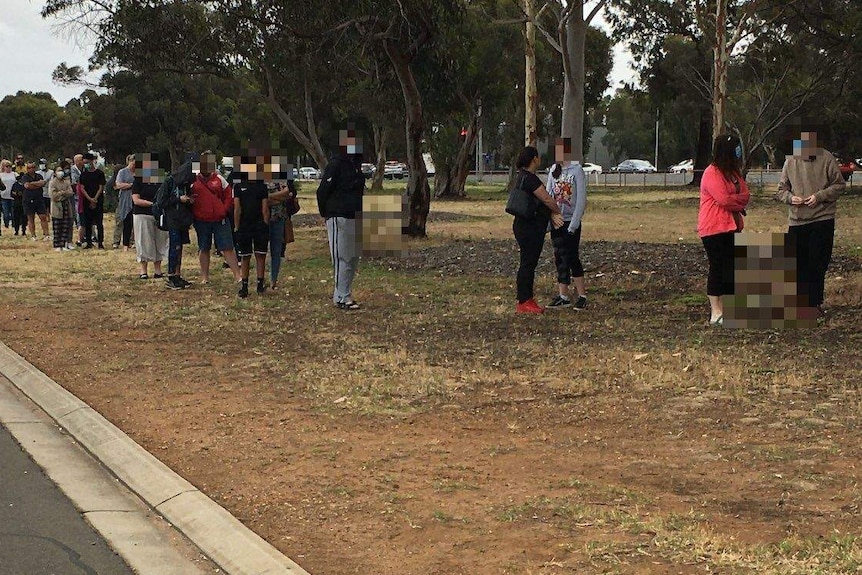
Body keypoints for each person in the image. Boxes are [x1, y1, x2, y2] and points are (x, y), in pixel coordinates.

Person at [775, 130, 845, 316]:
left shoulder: (827, 158)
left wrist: (820, 196)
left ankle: (814, 303)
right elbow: (781, 190)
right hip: (797, 221)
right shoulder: (790, 161)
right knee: (797, 264)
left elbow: (839, 185)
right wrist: (791, 198)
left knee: (818, 263)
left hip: (822, 219)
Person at [698, 134, 751, 326]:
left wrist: (736, 202)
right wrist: (737, 202)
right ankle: (715, 311)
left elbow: (745, 194)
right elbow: (724, 199)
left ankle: (729, 308)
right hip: (713, 228)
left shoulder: (734, 173)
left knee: (732, 268)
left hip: (732, 227)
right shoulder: (711, 173)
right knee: (718, 267)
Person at [316, 128, 366, 310]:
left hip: (354, 215)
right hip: (338, 215)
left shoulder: (356, 165)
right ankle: (340, 296)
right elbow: (322, 191)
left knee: (353, 257)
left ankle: (346, 292)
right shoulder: (336, 164)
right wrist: (327, 213)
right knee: (341, 256)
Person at [511, 146, 564, 314]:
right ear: (534, 159)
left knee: (528, 262)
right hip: (529, 228)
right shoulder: (530, 179)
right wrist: (557, 212)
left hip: (524, 226)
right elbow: (546, 199)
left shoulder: (521, 177)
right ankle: (524, 300)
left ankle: (527, 298)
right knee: (528, 263)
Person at [545, 137, 588, 310]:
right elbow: (548, 195)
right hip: (557, 220)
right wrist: (552, 217)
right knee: (559, 257)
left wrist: (574, 224)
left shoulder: (576, 170)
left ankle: (582, 294)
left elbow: (581, 199)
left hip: (571, 221)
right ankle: (563, 294)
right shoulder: (553, 170)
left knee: (572, 257)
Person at [190, 150, 241, 284]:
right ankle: (205, 277)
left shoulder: (219, 179)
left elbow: (229, 195)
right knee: (204, 248)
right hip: (201, 220)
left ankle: (237, 275)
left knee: (227, 248)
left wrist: (223, 210)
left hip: (220, 219)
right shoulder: (192, 180)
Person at [157, 160, 195, 290]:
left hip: (183, 220)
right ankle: (171, 276)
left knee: (180, 248)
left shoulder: (186, 184)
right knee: (175, 247)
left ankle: (178, 275)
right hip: (172, 219)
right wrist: (179, 199)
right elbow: (161, 201)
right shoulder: (169, 182)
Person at [131, 153, 169, 278]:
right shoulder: (138, 179)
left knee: (160, 241)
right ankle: (143, 270)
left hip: (158, 215)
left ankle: (158, 270)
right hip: (142, 214)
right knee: (144, 241)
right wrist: (152, 204)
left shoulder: (160, 179)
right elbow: (136, 200)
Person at [232, 173, 271, 298]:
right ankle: (259, 284)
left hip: (246, 225)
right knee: (259, 255)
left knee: (246, 256)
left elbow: (237, 209)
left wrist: (237, 226)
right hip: (257, 224)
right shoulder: (261, 187)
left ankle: (245, 286)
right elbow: (264, 209)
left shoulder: (238, 187)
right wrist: (265, 223)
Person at [267, 179, 298, 290]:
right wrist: (277, 197)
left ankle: (273, 280)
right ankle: (260, 279)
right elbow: (259, 198)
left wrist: (269, 197)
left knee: (277, 250)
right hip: (261, 218)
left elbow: (288, 194)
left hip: (279, 217)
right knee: (260, 251)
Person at [78, 152, 106, 249]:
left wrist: (95, 199)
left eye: (87, 162)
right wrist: (89, 199)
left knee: (99, 223)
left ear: (92, 161)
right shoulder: (83, 175)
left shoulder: (99, 173)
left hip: (98, 201)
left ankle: (100, 242)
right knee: (88, 223)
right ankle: (89, 242)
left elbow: (101, 187)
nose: (86, 164)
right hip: (87, 201)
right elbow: (82, 188)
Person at [48, 160, 76, 251]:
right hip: (57, 207)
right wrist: (63, 194)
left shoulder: (66, 182)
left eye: (61, 170)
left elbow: (70, 192)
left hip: (66, 206)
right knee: (57, 226)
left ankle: (64, 244)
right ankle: (57, 245)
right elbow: (53, 196)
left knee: (66, 225)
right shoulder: (52, 182)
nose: (61, 172)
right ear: (55, 173)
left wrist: (61, 193)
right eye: (58, 170)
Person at [20, 162, 50, 241]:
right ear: (27, 169)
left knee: (43, 216)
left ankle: (46, 234)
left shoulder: (39, 175)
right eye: (29, 168)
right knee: (31, 218)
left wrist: (32, 184)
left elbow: (43, 183)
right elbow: (27, 186)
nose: (31, 169)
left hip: (39, 199)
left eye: (33, 167)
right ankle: (33, 235)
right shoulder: (24, 177)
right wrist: (37, 184)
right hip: (28, 200)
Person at [112, 156, 135, 251]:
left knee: (133, 221)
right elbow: (118, 184)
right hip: (124, 200)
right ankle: (116, 241)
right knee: (121, 220)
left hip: (135, 199)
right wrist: (130, 185)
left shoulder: (140, 172)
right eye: (133, 163)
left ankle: (132, 241)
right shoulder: (122, 172)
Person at [0, 159, 17, 229]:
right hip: (4, 196)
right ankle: (6, 225)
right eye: (7, 166)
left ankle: (14, 225)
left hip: (13, 196)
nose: (9, 167)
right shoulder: (1, 175)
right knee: (6, 213)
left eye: (10, 166)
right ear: (3, 167)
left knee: (14, 213)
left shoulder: (14, 174)